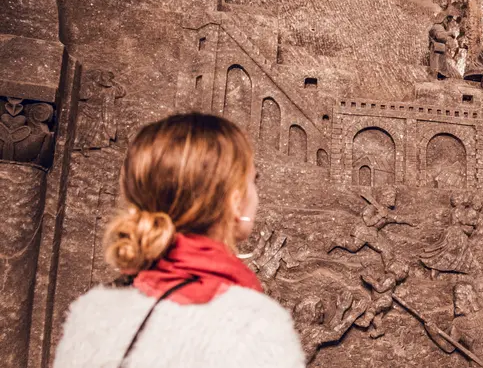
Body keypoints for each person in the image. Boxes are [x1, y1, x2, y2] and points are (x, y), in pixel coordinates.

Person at [53, 113, 305, 367]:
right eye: (253, 180)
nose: (256, 194)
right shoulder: (253, 325)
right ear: (234, 200)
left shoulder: (93, 316)